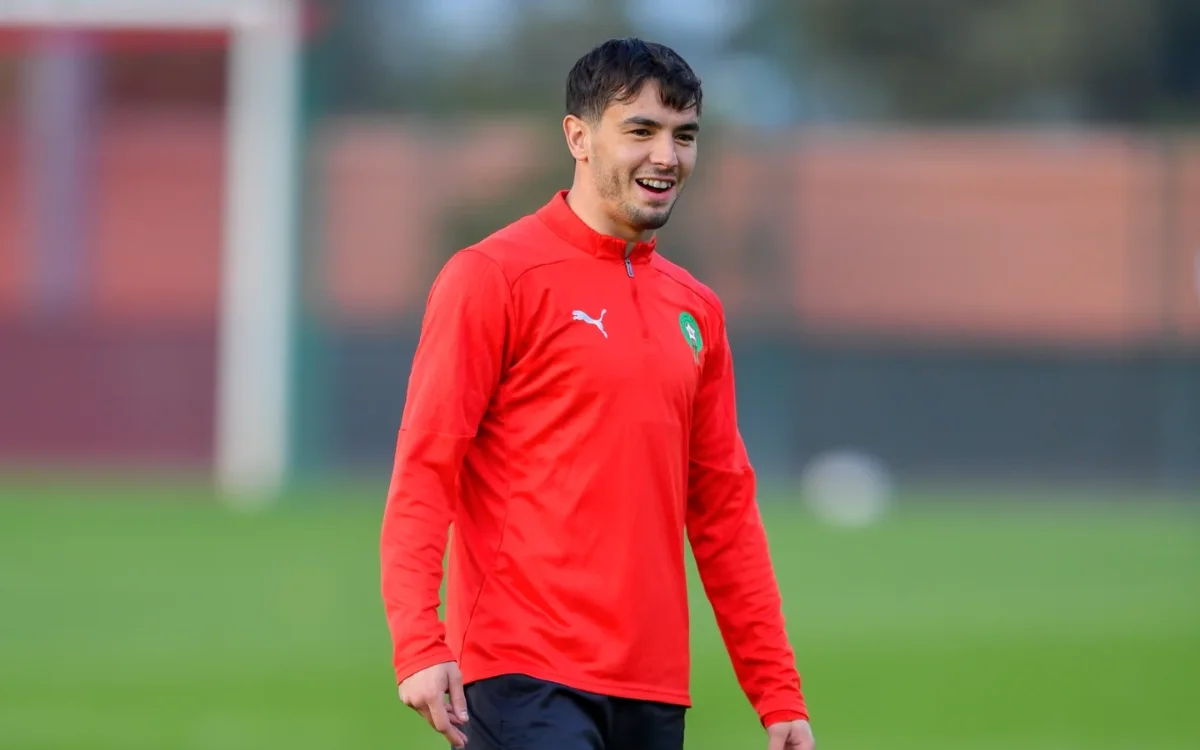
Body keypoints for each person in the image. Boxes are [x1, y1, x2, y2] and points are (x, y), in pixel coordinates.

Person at [380, 37, 814, 750]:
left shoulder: (696, 309)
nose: (667, 157)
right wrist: (418, 643)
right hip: (522, 675)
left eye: (684, 135)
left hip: (651, 688)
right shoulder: (492, 277)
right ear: (578, 137)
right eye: (640, 131)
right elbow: (425, 471)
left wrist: (776, 692)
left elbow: (724, 512)